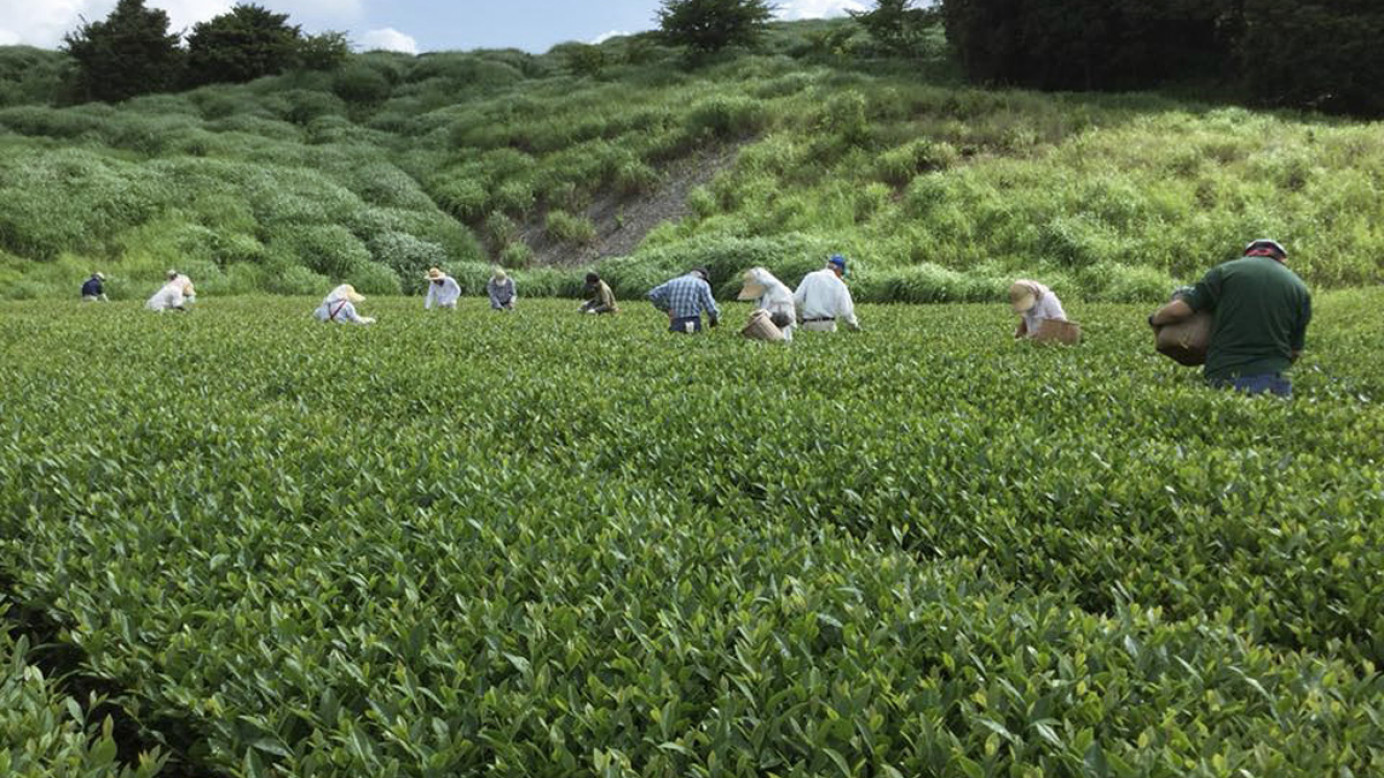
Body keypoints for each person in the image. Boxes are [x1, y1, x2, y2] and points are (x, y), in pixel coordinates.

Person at [1148, 238, 1311, 398]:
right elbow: (1295, 351)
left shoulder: (1224, 271)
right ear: (1282, 259)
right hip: (1276, 380)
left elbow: (1179, 311)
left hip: (1226, 374)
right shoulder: (1300, 288)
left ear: (1248, 254)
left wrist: (1154, 319)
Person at [794, 255, 860, 333]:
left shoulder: (810, 277)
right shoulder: (839, 283)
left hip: (808, 324)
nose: (841, 276)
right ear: (839, 270)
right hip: (828, 325)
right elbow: (846, 311)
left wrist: (800, 317)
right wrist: (854, 326)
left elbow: (796, 300)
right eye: (841, 274)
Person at [648, 268, 720, 334]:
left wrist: (667, 309)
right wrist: (714, 322)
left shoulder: (672, 282)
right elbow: (712, 309)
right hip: (693, 322)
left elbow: (652, 294)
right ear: (703, 277)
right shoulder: (702, 284)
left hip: (676, 322)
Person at [737, 267, 796, 341]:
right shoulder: (763, 294)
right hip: (765, 333)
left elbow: (788, 318)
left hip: (782, 334)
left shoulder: (782, 292)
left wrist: (770, 315)